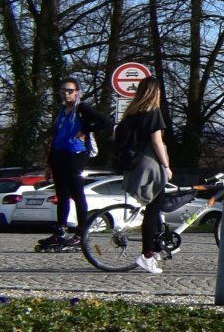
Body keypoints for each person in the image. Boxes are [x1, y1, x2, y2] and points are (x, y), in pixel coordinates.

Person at [38, 77, 111, 252]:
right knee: (62, 194)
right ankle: (60, 230)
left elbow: (106, 122)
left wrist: (85, 130)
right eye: (63, 90)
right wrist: (49, 163)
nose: (66, 93)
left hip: (75, 154)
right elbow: (55, 137)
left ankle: (81, 232)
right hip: (59, 154)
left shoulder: (82, 108)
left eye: (69, 90)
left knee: (77, 193)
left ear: (77, 92)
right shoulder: (62, 110)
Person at [111, 79, 176, 274]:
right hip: (150, 166)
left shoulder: (130, 115)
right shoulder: (152, 113)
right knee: (153, 210)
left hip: (134, 166)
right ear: (155, 93)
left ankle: (156, 248)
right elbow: (157, 142)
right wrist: (166, 166)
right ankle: (147, 254)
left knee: (153, 207)